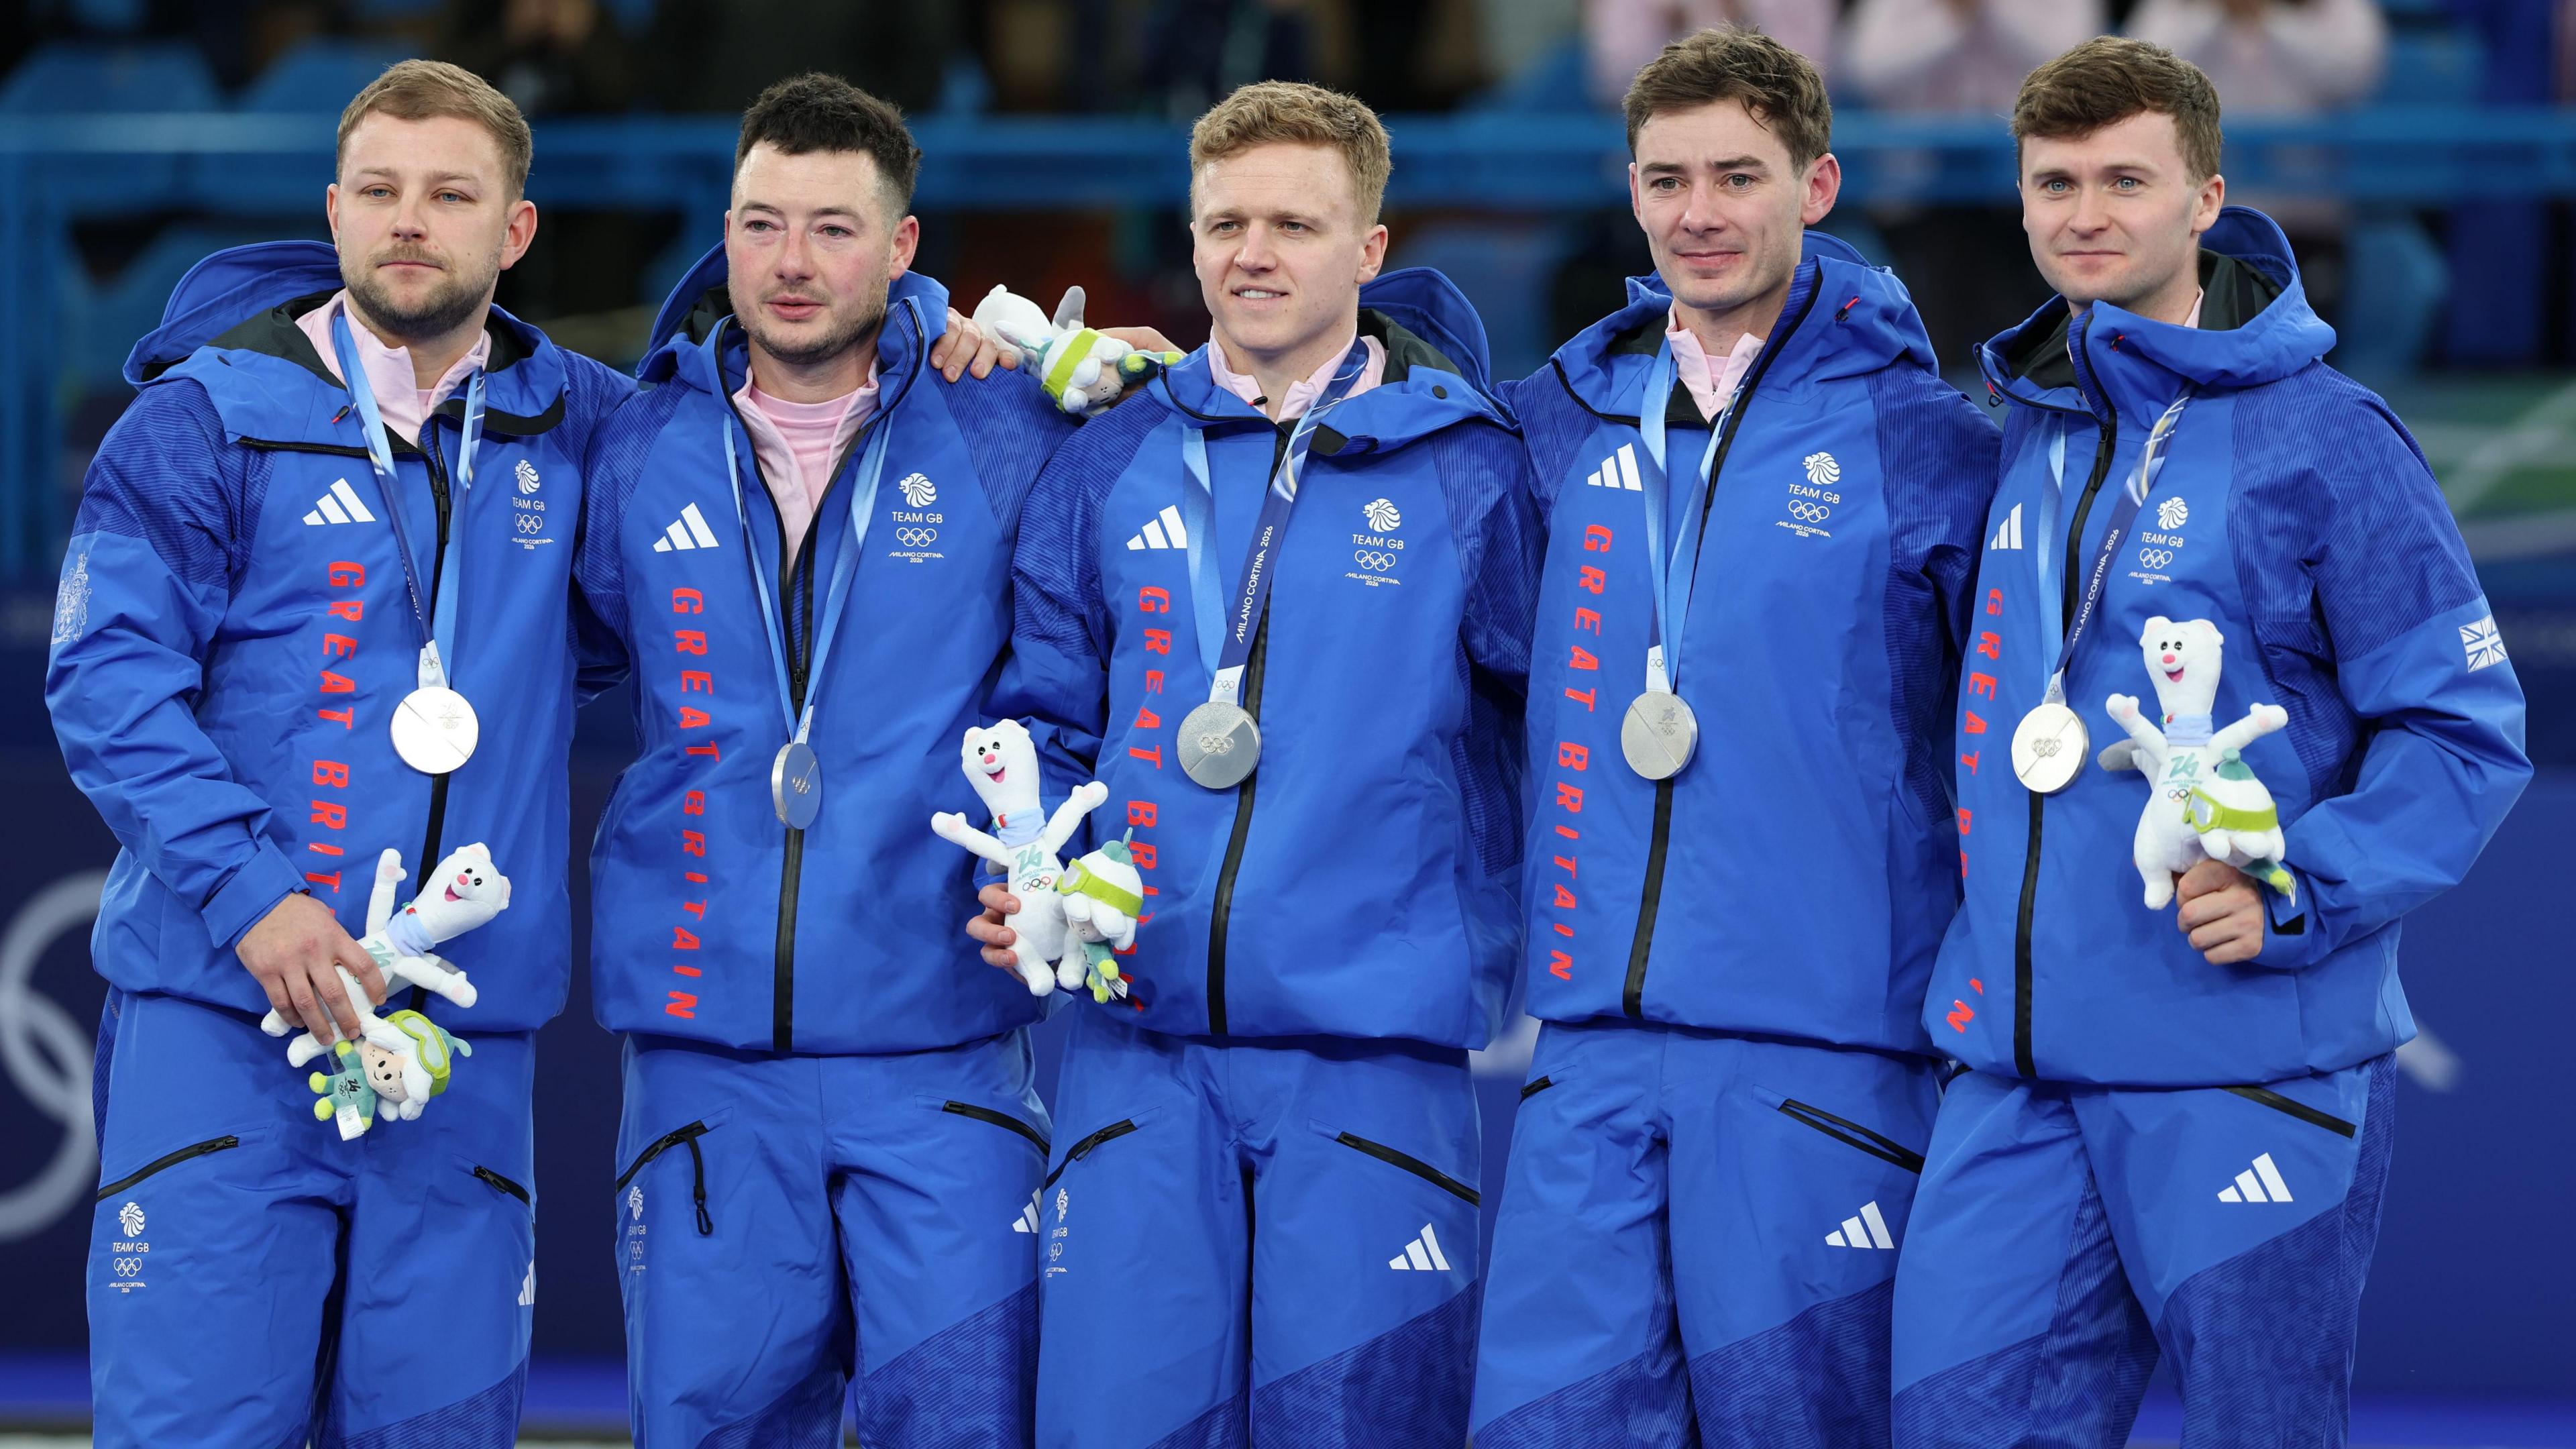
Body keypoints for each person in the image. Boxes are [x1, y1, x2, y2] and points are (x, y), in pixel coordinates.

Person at [1889, 38, 2530, 1447]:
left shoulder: (2327, 439)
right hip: (2017, 1069)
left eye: (2127, 179)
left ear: (2208, 199)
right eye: (2055, 182)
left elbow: (2465, 732)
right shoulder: (2016, 431)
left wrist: (2299, 882)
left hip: (2242, 1057)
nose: (2086, 212)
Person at [46, 60, 634, 1448]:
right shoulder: (204, 420)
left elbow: (789, 410)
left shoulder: (588, 426)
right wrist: (255, 897)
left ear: (518, 229)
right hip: (228, 1025)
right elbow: (108, 681)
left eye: (451, 194)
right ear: (334, 208)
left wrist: (927, 324)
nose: (410, 221)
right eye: (379, 191)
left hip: (457, 1046)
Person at [973, 80, 1540, 1446]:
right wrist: (1034, 863)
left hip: (1371, 1053)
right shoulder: (1108, 457)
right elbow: (1043, 712)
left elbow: (1546, 727)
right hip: (1134, 1046)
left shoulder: (1475, 470)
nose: (1254, 252)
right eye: (1226, 220)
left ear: (1372, 250)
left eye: (1296, 221)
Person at [1468, 26, 2000, 1447]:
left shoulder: (1929, 441)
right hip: (1585, 1049)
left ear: (1817, 184)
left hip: (1819, 1052)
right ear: (1630, 192)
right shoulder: (1558, 422)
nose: (1698, 213)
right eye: (1667, 179)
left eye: (1737, 177)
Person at [574, 72, 1077, 1447]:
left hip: (938, 1050)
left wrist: (1060, 857)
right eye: (761, 222)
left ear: (905, 248)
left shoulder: (1012, 429)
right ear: (721, 232)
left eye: (836, 228)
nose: (793, 263)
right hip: (705, 1062)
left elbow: (1083, 685)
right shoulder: (631, 445)